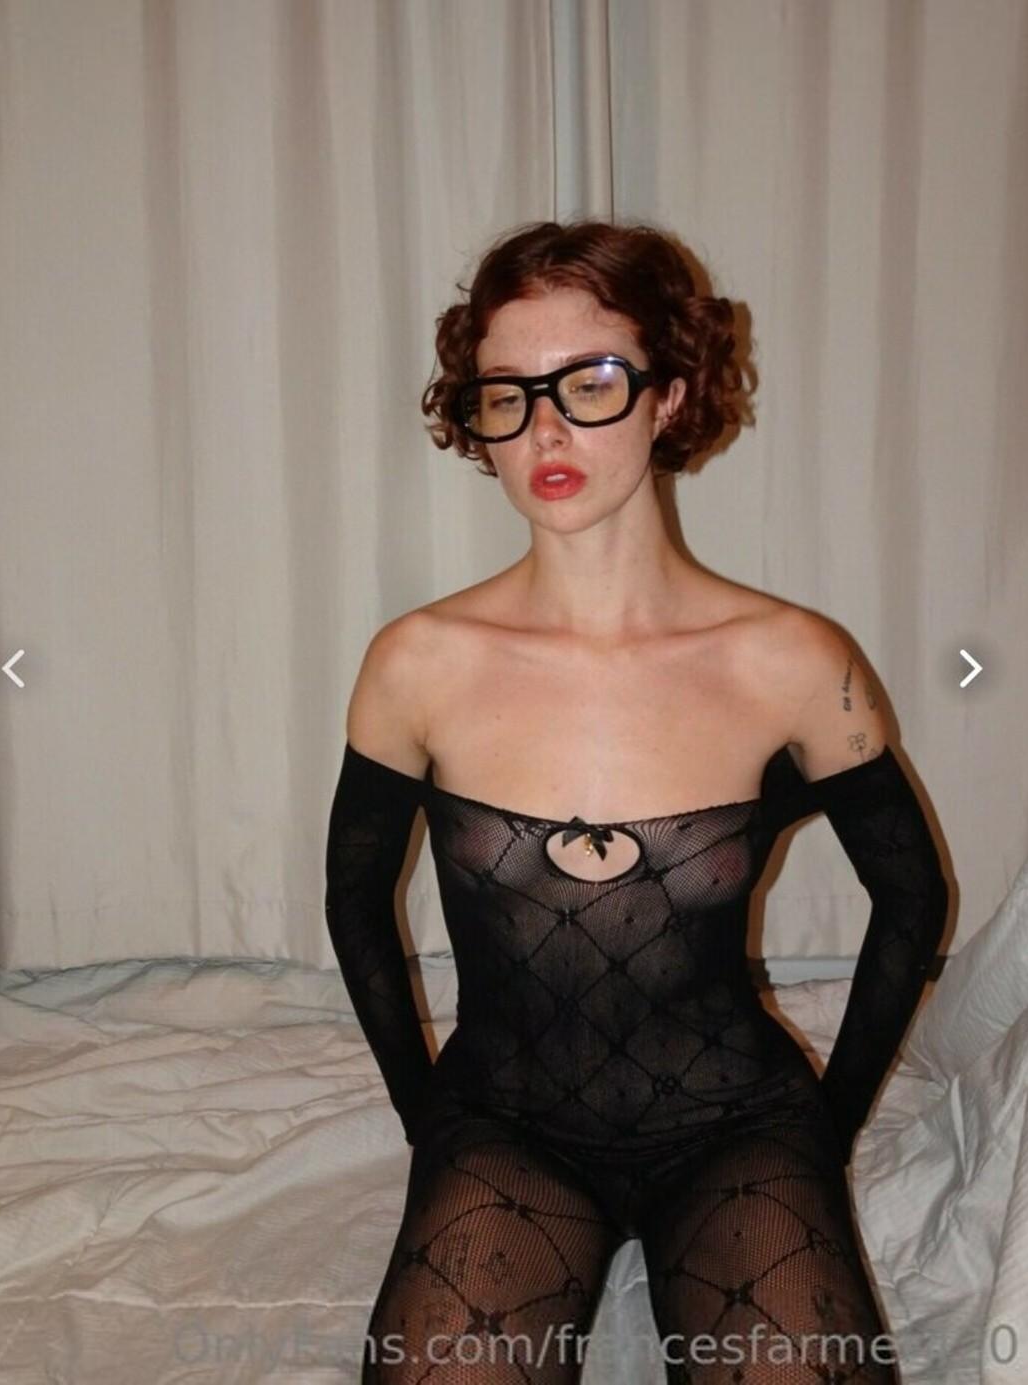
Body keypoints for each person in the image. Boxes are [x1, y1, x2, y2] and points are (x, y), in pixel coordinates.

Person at [325, 219, 949, 1383]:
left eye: (592, 380)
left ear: (671, 395)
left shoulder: (794, 659)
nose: (546, 428)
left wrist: (827, 1129)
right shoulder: (416, 662)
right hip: (506, 1123)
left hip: (733, 1125)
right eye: (508, 393)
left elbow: (911, 896)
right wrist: (430, 1123)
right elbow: (355, 901)